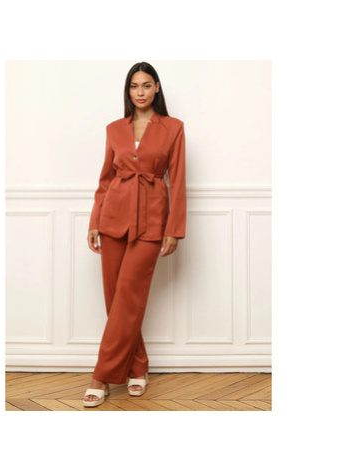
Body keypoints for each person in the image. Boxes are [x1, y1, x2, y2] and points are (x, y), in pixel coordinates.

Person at [83, 62, 187, 407]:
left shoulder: (173, 128)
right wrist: (95, 220)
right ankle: (138, 366)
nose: (140, 92)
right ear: (128, 91)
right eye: (134, 86)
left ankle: (100, 376)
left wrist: (174, 229)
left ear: (157, 88)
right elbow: (105, 179)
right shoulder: (114, 129)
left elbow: (178, 180)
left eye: (146, 85)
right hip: (113, 218)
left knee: (129, 296)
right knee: (116, 300)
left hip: (152, 222)